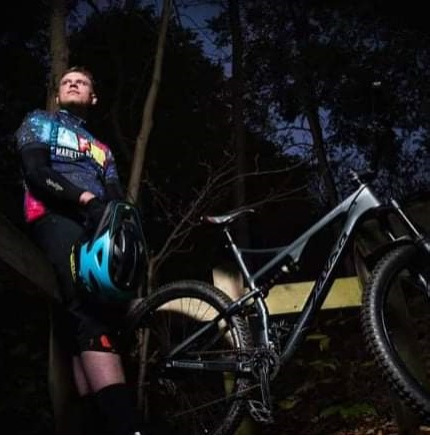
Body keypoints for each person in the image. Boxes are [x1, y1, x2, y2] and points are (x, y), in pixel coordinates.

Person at [15, 66, 140, 434]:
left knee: (92, 325)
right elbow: (36, 171)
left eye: (82, 82)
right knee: (86, 312)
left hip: (100, 227)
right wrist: (85, 199)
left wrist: (124, 229)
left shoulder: (102, 150)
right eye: (67, 81)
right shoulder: (40, 121)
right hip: (55, 217)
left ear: (92, 97)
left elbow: (116, 197)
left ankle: (91, 423)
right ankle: (127, 425)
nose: (72, 84)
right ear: (57, 94)